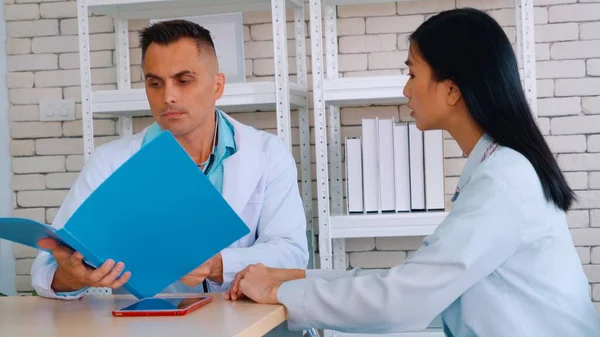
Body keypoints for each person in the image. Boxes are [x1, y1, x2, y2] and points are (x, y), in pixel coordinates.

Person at [225, 8, 600, 337]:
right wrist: (293, 278)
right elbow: (414, 282)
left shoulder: (503, 178)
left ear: (451, 89)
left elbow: (402, 300)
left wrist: (279, 294)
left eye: (413, 73)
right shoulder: (502, 167)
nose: (406, 89)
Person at [30, 20, 308, 299]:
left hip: (251, 320)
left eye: (184, 81)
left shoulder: (268, 153)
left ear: (218, 86)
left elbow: (292, 254)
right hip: (154, 324)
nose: (168, 96)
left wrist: (218, 264)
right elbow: (48, 266)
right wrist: (69, 276)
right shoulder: (109, 162)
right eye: (155, 83)